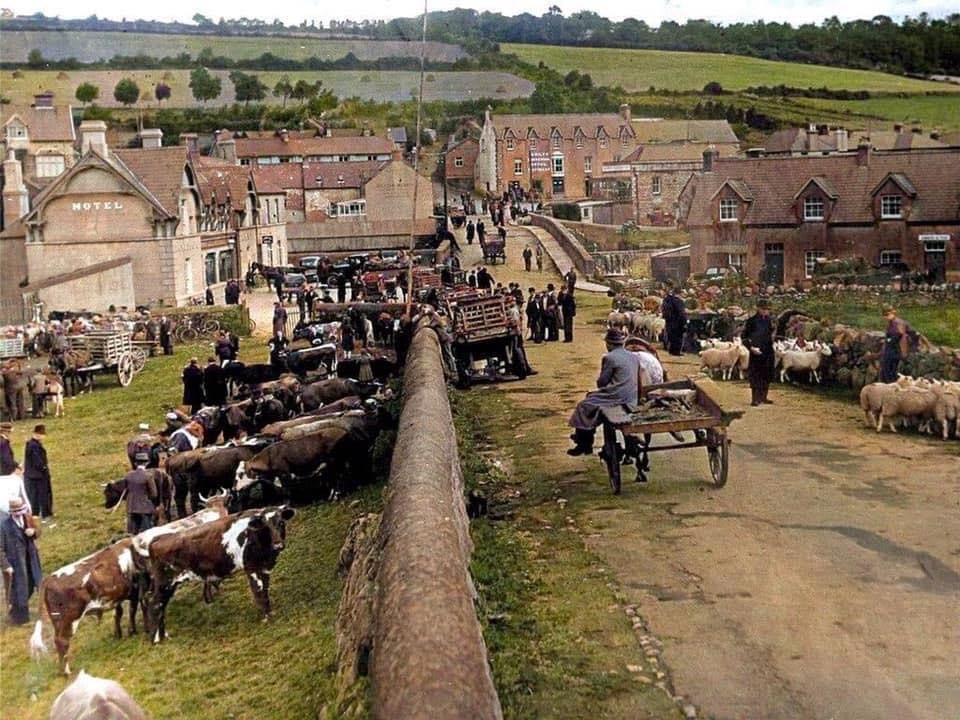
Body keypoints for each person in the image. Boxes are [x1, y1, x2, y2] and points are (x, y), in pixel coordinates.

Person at [567, 329, 641, 456]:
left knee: (584, 405)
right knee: (591, 400)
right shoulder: (633, 357)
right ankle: (585, 439)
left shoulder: (609, 358)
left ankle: (584, 442)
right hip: (631, 397)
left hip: (616, 395)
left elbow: (602, 382)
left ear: (609, 344)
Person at [0, 496, 42, 625]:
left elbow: (38, 531)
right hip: (15, 563)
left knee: (32, 585)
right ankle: (20, 618)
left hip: (31, 559)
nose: (19, 513)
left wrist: (34, 531)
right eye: (16, 511)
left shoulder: (28, 518)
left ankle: (17, 612)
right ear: (11, 512)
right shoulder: (3, 526)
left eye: (21, 510)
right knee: (18, 590)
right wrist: (6, 565)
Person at [741, 299, 776, 406]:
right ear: (758, 308)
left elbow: (770, 334)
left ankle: (764, 397)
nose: (766, 311)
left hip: (767, 350)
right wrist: (751, 348)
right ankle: (755, 398)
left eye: (767, 310)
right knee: (756, 374)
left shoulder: (768, 320)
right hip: (756, 351)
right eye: (764, 309)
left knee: (767, 373)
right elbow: (744, 337)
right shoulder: (751, 321)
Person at [121, 454, 158, 535]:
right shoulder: (148, 476)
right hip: (144, 508)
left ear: (135, 464)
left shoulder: (128, 475)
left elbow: (125, 491)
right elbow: (154, 494)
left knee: (133, 533)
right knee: (147, 533)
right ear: (147, 463)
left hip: (131, 507)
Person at [24, 425, 52, 520]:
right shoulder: (34, 445)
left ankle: (35, 513)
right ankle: (45, 514)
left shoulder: (30, 444)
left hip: (31, 475)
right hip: (39, 475)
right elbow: (37, 461)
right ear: (37, 434)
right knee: (43, 494)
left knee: (34, 495)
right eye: (42, 434)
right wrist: (44, 468)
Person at [879, 305, 910, 383]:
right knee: (886, 371)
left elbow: (901, 336)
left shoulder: (898, 323)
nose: (885, 317)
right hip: (890, 350)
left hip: (894, 351)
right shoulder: (891, 323)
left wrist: (904, 353)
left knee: (890, 372)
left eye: (887, 314)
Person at [661, 285, 687, 356]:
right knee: (678, 337)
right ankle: (676, 351)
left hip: (669, 321)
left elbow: (664, 310)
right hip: (677, 321)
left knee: (671, 336)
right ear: (680, 293)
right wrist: (684, 322)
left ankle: (671, 350)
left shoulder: (667, 299)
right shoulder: (679, 301)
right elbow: (681, 313)